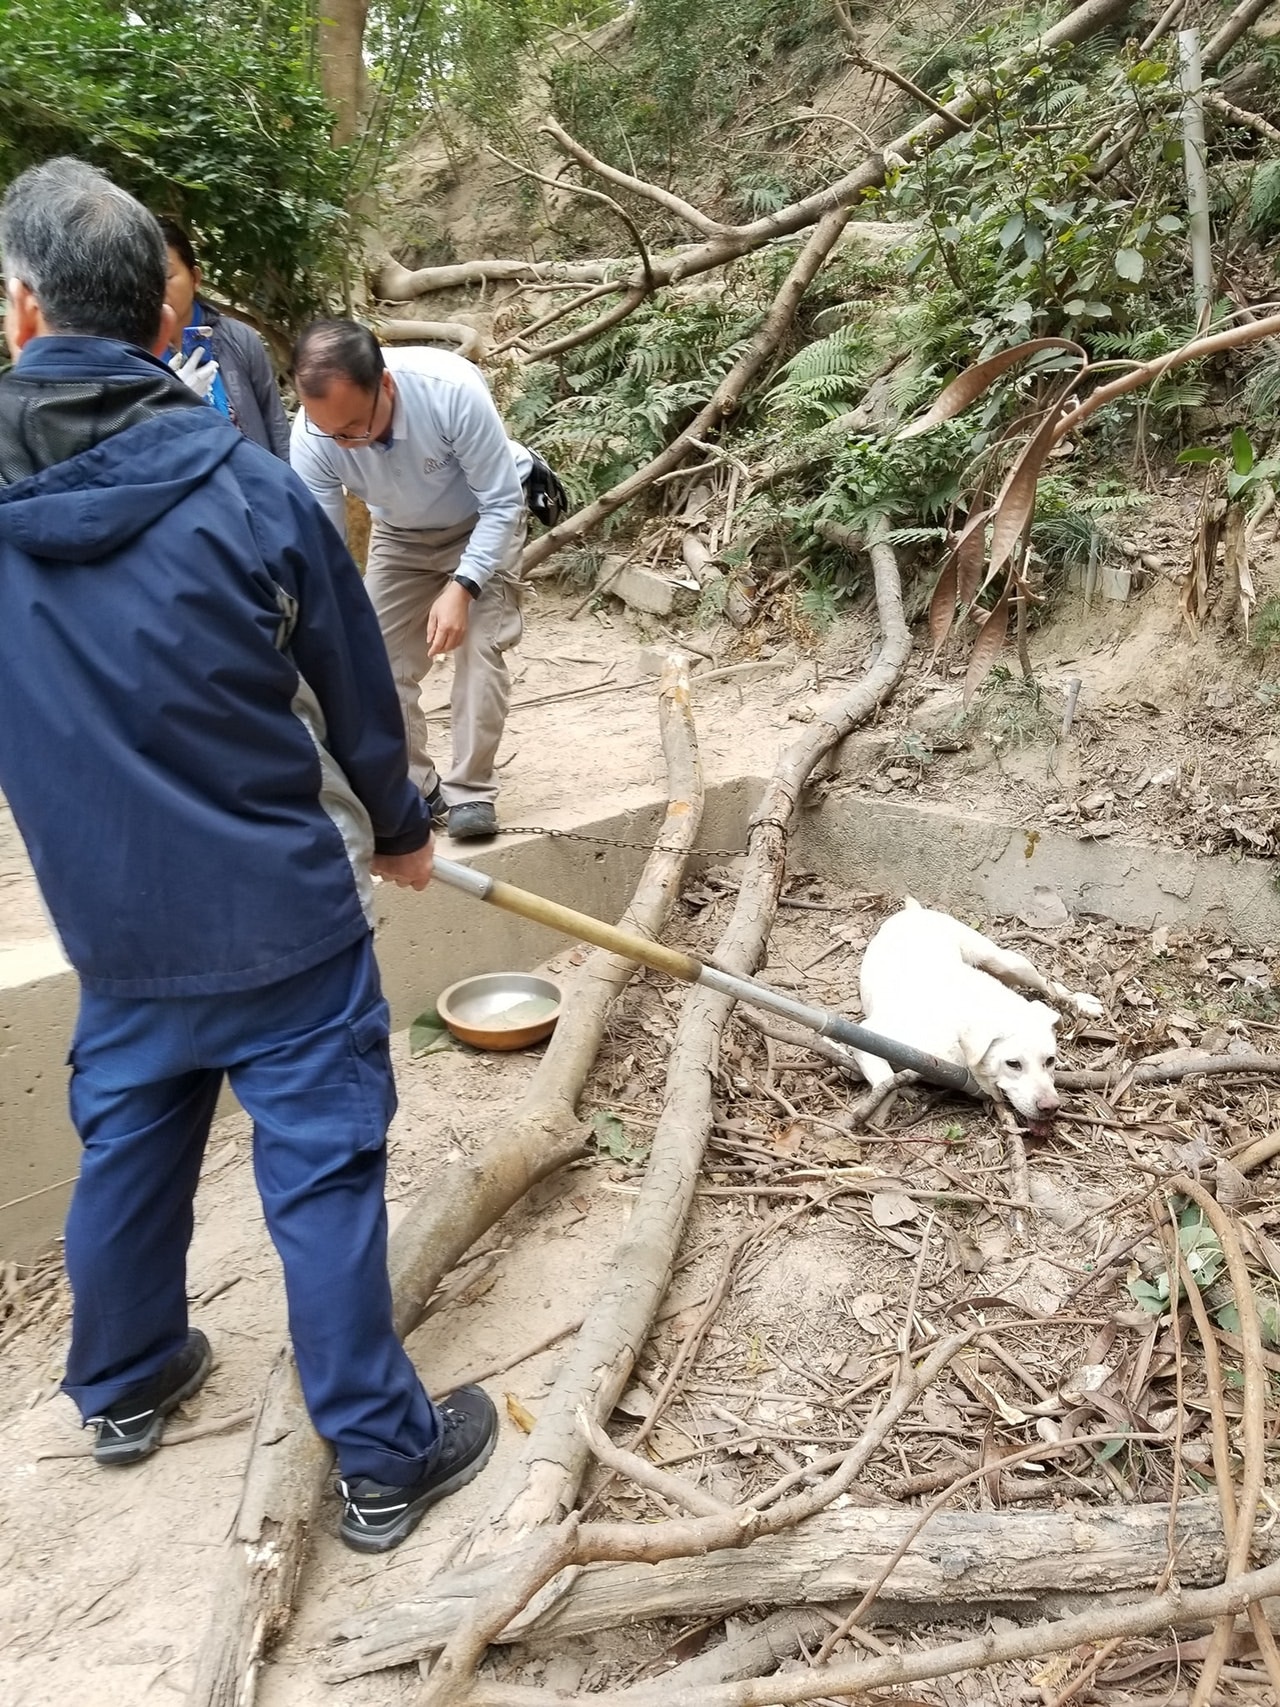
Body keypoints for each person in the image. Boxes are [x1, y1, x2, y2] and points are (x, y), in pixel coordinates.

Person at [0, 157, 498, 1554]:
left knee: (133, 1145)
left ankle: (122, 1376)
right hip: (282, 918)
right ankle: (385, 1456)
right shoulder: (250, 492)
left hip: (114, 924)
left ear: (25, 314)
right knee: (324, 1173)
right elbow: (354, 697)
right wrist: (401, 830)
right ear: (171, 327)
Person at [290, 320, 529, 842]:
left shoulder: (451, 392)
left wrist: (462, 588)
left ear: (386, 386)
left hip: (481, 520)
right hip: (399, 533)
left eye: (355, 427)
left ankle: (472, 793)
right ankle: (419, 787)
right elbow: (325, 550)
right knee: (373, 656)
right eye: (332, 433)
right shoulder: (315, 435)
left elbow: (503, 501)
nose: (346, 445)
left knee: (478, 648)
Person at [159, 218, 291, 460]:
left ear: (195, 277)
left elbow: (275, 424)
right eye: (144, 280)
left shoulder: (239, 338)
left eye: (166, 276)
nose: (155, 289)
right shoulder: (132, 354)